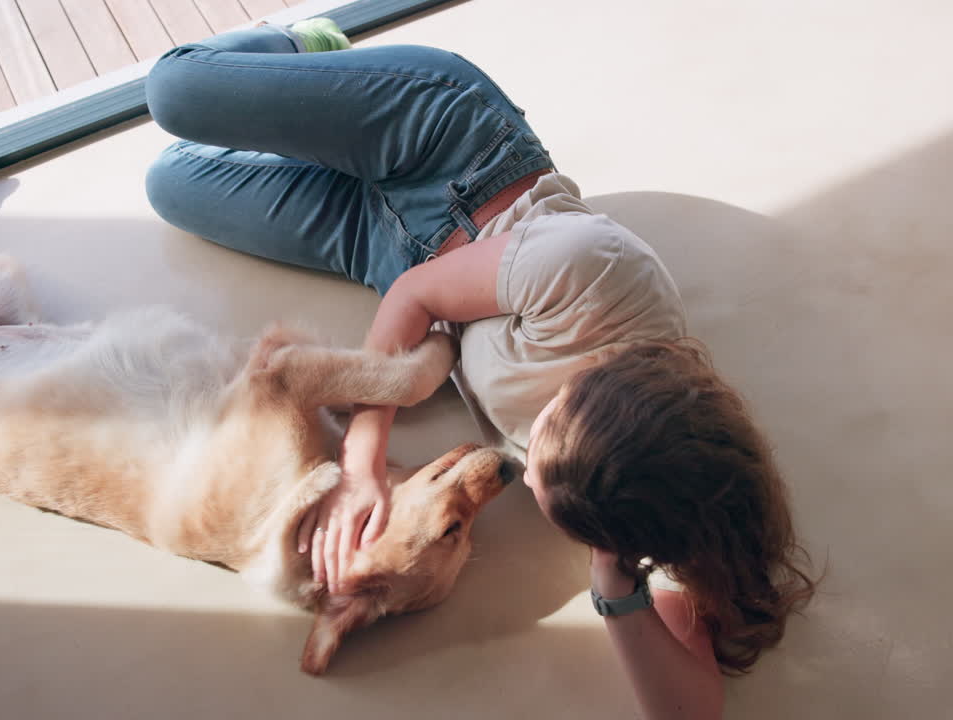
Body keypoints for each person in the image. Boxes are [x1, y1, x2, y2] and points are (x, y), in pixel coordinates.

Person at [144, 19, 815, 717]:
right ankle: (304, 48)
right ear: (605, 388)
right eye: (546, 432)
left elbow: (692, 711)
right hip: (447, 156)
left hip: (386, 249)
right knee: (174, 91)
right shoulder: (598, 273)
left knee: (171, 183)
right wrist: (361, 466)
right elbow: (418, 296)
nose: (518, 461)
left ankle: (314, 123)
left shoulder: (635, 494)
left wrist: (615, 579)